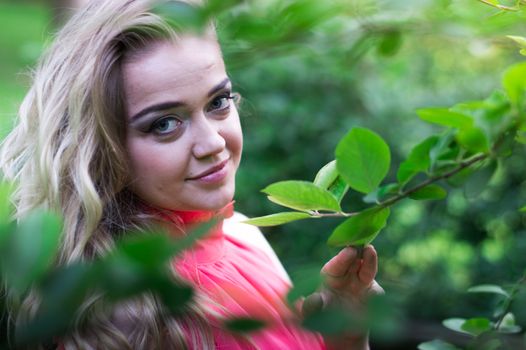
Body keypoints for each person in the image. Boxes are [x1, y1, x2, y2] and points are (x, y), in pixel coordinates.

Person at [0, 0, 383, 349]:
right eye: (165, 124)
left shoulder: (241, 232)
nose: (212, 142)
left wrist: (346, 339)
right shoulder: (131, 314)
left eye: (218, 102)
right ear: (104, 148)